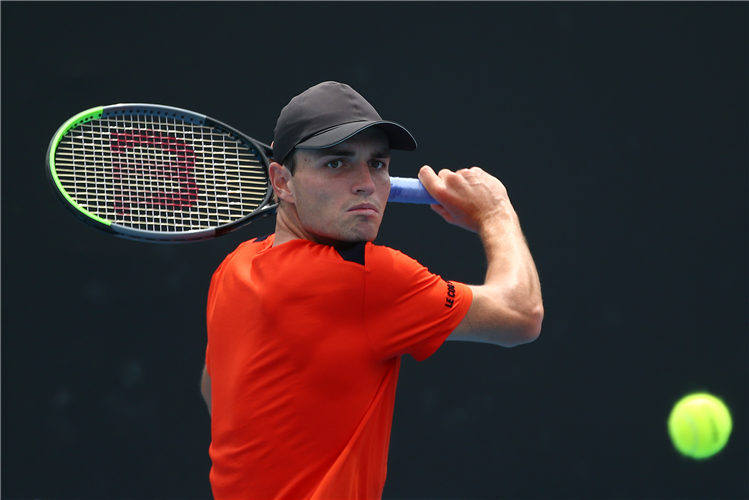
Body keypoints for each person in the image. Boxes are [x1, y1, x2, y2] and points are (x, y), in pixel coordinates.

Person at [200, 81, 543, 499]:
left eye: (377, 164)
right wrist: (495, 212)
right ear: (282, 181)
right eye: (335, 165)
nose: (365, 183)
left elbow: (214, 391)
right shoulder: (366, 276)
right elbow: (522, 313)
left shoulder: (233, 269)